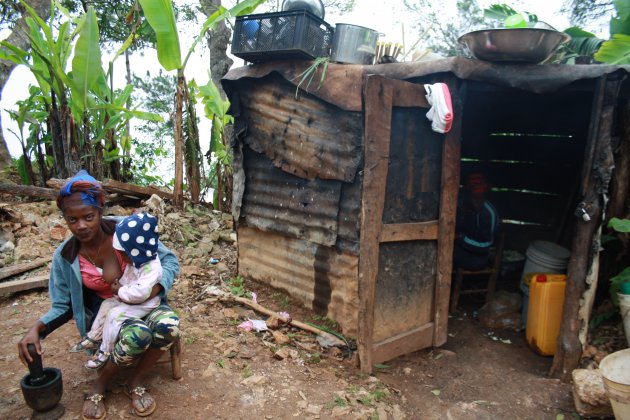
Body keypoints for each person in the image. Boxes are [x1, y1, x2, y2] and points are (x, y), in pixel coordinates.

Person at [17, 170, 180, 419]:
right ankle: (100, 385)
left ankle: (135, 382)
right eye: (72, 220)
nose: (81, 226)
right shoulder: (66, 256)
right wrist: (38, 328)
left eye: (88, 217)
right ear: (65, 219)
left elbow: (169, 261)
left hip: (146, 303)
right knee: (138, 335)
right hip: (107, 314)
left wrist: (154, 289)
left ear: (100, 210)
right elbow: (62, 305)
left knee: (169, 325)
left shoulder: (126, 231)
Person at [71, 213, 163, 371]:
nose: (121, 257)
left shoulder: (152, 268)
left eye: (123, 254)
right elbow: (129, 278)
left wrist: (120, 290)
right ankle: (94, 336)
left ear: (136, 250)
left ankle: (105, 352)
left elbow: (139, 294)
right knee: (107, 304)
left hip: (144, 303)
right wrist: (121, 287)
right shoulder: (137, 261)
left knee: (114, 316)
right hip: (127, 298)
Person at [453, 173, 500, 271]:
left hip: (477, 256)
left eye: (479, 184)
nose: (475, 186)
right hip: (457, 248)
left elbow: (487, 244)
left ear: (486, 187)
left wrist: (461, 238)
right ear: (466, 187)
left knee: (446, 253)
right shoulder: (459, 204)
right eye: (472, 184)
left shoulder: (489, 213)